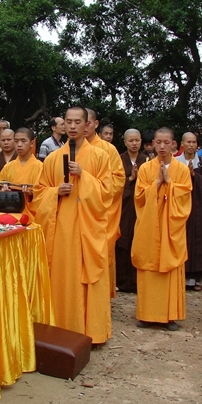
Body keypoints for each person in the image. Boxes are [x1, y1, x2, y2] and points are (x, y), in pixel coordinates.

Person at [33, 106, 112, 344]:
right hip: (63, 231)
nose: (74, 126)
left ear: (87, 124)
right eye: (69, 121)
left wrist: (84, 176)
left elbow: (108, 194)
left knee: (88, 278)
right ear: (64, 125)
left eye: (79, 122)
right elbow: (38, 193)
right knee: (63, 278)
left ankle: (92, 332)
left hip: (89, 229)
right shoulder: (53, 158)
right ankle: (62, 329)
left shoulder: (100, 157)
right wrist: (55, 191)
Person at [131, 127, 192, 331]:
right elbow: (139, 198)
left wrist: (169, 183)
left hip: (170, 228)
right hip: (149, 227)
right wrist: (156, 183)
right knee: (149, 267)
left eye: (167, 142)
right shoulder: (146, 169)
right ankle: (147, 314)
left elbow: (185, 199)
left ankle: (169, 316)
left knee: (169, 268)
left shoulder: (182, 170)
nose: (163, 146)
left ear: (174, 144)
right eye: (159, 142)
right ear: (154, 143)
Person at [85, 109, 126, 298]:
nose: (82, 126)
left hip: (102, 210)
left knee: (102, 252)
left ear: (95, 124)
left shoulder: (108, 149)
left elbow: (118, 180)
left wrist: (93, 188)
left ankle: (101, 297)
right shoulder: (69, 149)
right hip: (77, 211)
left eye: (87, 122)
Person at [175, 132, 202, 291]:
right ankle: (181, 275)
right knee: (182, 240)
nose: (191, 145)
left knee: (199, 240)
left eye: (194, 142)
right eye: (188, 142)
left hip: (199, 207)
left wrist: (194, 176)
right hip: (180, 207)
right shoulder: (176, 162)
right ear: (182, 143)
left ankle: (197, 277)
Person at [116, 129, 147, 293]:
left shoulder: (147, 160)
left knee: (140, 241)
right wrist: (130, 179)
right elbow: (113, 185)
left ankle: (138, 280)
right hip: (125, 207)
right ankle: (122, 280)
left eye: (137, 140)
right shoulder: (119, 160)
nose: (134, 144)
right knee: (123, 241)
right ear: (125, 142)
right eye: (131, 141)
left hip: (141, 208)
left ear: (141, 141)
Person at [0, 128, 43, 222]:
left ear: (32, 143)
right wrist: (3, 191)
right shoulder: (8, 167)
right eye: (16, 141)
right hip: (10, 215)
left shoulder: (40, 167)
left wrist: (31, 194)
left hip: (31, 216)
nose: (19, 145)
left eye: (23, 141)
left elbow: (44, 194)